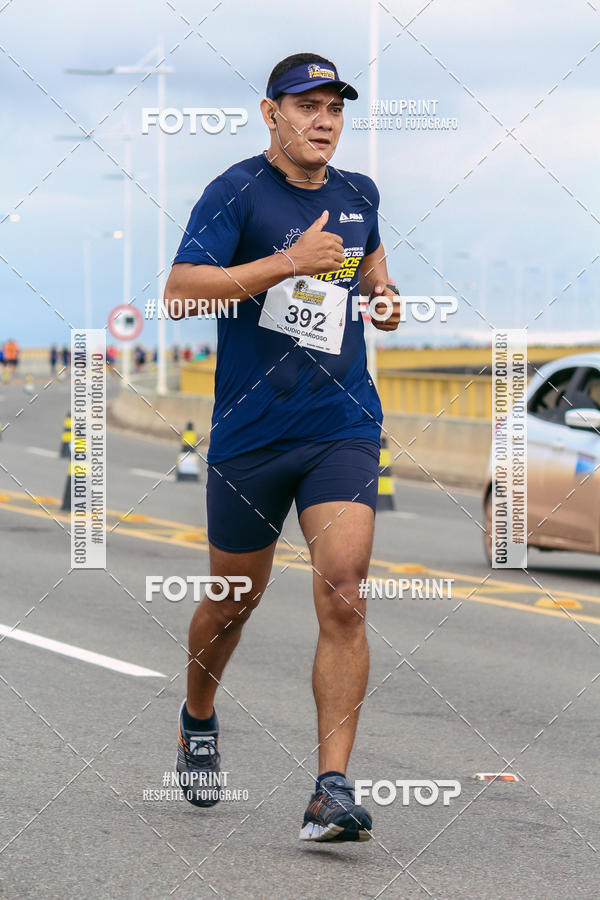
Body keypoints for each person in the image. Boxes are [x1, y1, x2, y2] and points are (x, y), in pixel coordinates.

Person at [165, 52, 400, 842]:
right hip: (249, 431)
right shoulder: (235, 191)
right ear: (271, 114)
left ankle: (330, 789)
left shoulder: (359, 193)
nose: (324, 120)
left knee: (345, 587)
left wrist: (384, 295)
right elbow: (180, 289)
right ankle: (198, 715)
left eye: (334, 107)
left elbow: (369, 266)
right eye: (306, 106)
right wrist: (284, 265)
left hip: (340, 423)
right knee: (235, 602)